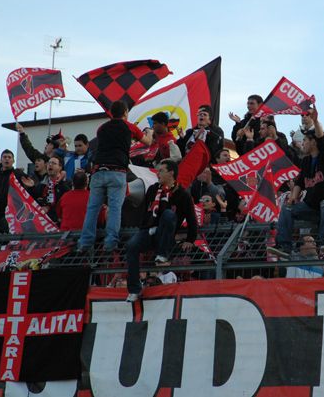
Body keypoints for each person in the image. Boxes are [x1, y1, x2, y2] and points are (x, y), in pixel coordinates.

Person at [78, 100, 153, 254]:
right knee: (114, 208)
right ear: (125, 113)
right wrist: (149, 132)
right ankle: (110, 242)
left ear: (112, 113)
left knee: (92, 208)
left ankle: (85, 242)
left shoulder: (101, 128)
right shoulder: (129, 127)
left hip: (98, 171)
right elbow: (148, 142)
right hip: (117, 171)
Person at [268, 107, 324, 258]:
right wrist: (292, 198)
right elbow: (299, 182)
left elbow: (322, 140)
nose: (302, 144)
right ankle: (284, 246)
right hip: (312, 206)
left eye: (305, 141)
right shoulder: (306, 161)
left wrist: (315, 121)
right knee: (287, 209)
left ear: (313, 142)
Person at [125, 159, 197, 302]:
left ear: (171, 173)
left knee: (169, 214)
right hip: (148, 231)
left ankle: (162, 255)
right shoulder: (152, 189)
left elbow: (191, 218)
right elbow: (144, 212)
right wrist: (142, 228)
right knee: (131, 246)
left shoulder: (182, 194)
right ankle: (134, 289)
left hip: (165, 235)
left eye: (161, 171)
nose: (158, 174)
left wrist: (190, 239)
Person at [21, 155, 71, 224]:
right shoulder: (42, 185)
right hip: (43, 223)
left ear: (60, 167)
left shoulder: (66, 184)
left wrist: (49, 209)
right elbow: (32, 200)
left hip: (59, 223)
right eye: (49, 163)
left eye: (54, 163)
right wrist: (31, 187)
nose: (50, 165)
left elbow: (66, 204)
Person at [0, 149, 26, 232]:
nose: (7, 159)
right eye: (4, 157)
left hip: (13, 213)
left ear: (13, 160)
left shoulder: (19, 174)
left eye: (9, 157)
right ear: (1, 160)